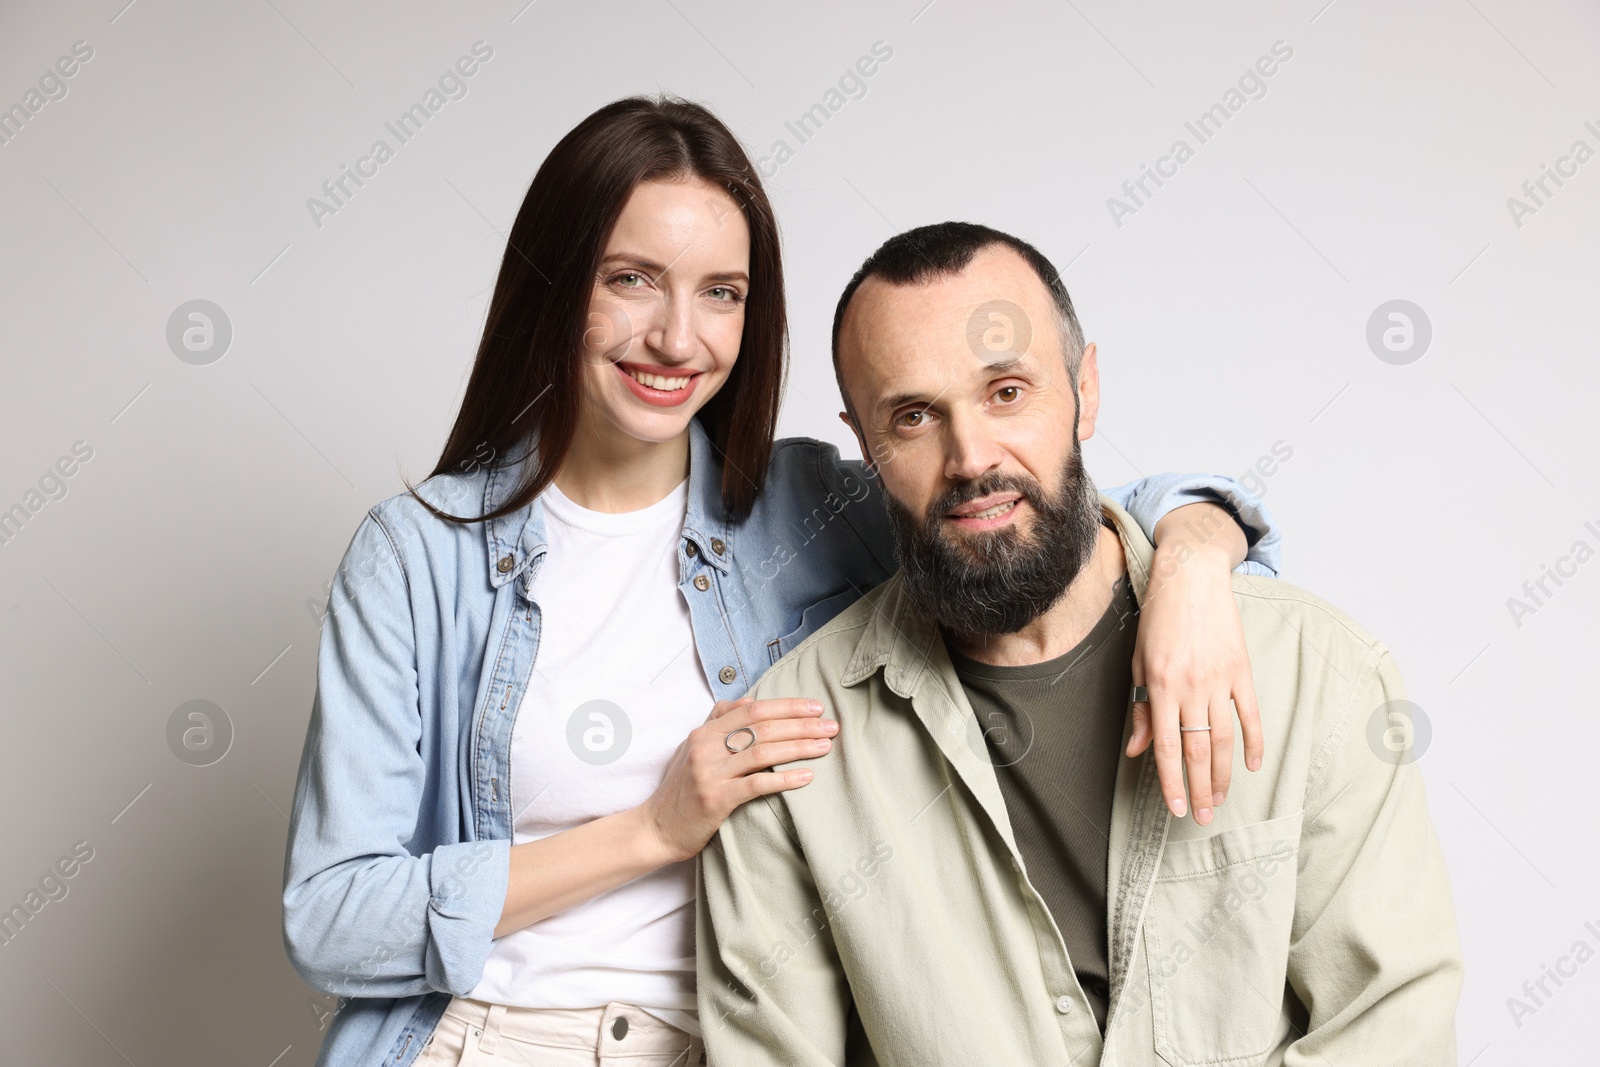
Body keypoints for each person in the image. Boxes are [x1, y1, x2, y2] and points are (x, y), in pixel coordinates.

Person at [281, 98, 1283, 1067]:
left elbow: (1053, 508)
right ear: (557, 283)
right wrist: (651, 828)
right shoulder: (420, 553)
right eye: (633, 279)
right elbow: (329, 917)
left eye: (721, 291)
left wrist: (1193, 565)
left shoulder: (808, 508)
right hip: (492, 1038)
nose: (679, 338)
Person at [698, 221, 1464, 1066]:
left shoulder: (1316, 672)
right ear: (866, 445)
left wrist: (1197, 551)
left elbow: (1393, 1027)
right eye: (913, 416)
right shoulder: (792, 750)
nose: (971, 456)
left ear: (1084, 389)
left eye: (1007, 392)